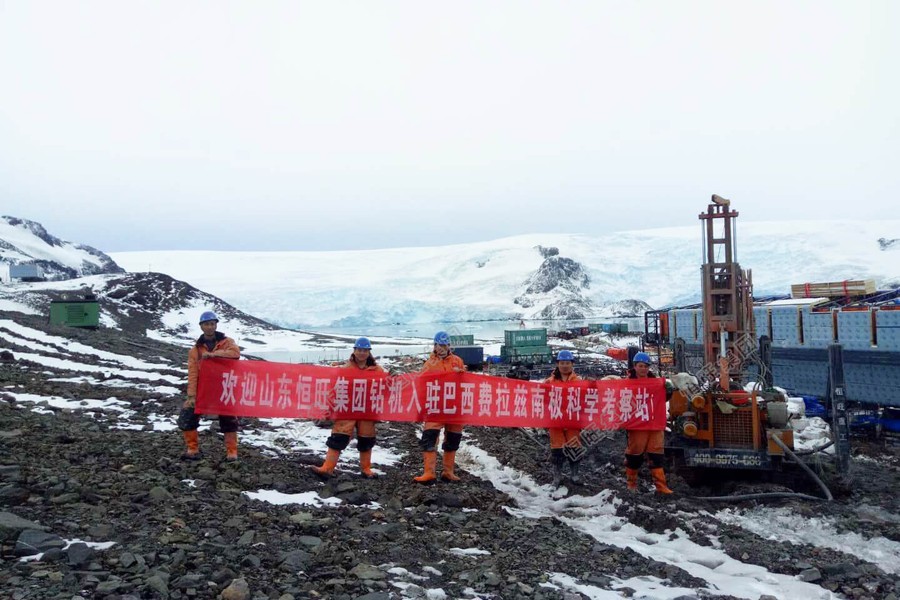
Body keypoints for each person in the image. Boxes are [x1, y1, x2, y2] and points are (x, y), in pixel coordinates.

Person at [311, 337, 384, 478]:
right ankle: (327, 468)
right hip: (346, 409)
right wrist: (329, 407)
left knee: (366, 439)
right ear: (354, 350)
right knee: (338, 437)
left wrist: (392, 379)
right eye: (359, 350)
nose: (362, 353)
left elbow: (385, 388)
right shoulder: (345, 369)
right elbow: (335, 389)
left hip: (366, 410)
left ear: (369, 352)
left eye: (365, 350)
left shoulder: (377, 370)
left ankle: (366, 469)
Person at [178, 311, 241, 461]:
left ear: (216, 325)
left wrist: (214, 354)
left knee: (228, 418)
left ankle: (232, 452)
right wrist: (192, 395)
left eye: (212, 324)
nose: (210, 327)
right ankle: (192, 450)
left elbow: (235, 353)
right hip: (203, 388)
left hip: (223, 387)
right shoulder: (195, 350)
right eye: (206, 324)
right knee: (188, 415)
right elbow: (193, 372)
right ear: (201, 326)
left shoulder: (227, 342)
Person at [414, 331, 467, 483]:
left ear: (449, 345)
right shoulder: (429, 364)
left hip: (453, 407)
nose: (442, 348)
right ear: (434, 346)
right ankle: (429, 473)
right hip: (435, 407)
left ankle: (448, 472)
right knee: (429, 438)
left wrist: (461, 374)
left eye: (444, 345)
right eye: (439, 345)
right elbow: (421, 384)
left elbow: (465, 383)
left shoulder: (458, 361)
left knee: (453, 438)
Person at [624, 352, 673, 494]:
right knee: (635, 454)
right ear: (634, 367)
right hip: (637, 424)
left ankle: (661, 486)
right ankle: (631, 483)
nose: (643, 369)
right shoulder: (627, 383)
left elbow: (662, 399)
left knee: (656, 453)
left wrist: (669, 392)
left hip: (654, 423)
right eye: (640, 366)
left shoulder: (655, 383)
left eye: (646, 366)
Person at [545, 349, 583, 486]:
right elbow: (542, 400)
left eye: (567, 363)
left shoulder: (578, 382)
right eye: (562, 363)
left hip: (573, 421)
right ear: (557, 364)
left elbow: (585, 400)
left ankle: (575, 475)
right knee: (557, 450)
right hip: (556, 421)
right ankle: (557, 477)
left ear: (572, 364)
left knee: (574, 448)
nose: (565, 365)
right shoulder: (549, 382)